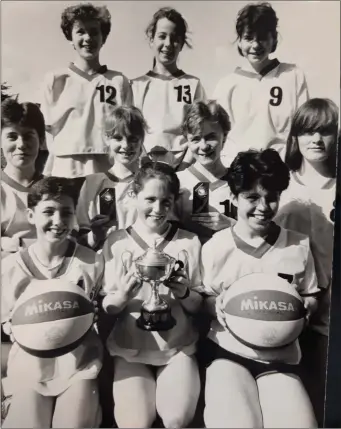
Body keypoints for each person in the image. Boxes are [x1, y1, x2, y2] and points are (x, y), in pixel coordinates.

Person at [201, 149, 318, 428]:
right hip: (228, 353)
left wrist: (306, 308)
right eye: (252, 197)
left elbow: (312, 295)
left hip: (282, 356)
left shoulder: (298, 245)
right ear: (233, 198)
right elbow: (204, 298)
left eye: (272, 197)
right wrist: (213, 305)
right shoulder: (216, 246)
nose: (263, 207)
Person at [101, 161, 203, 428]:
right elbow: (109, 307)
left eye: (166, 201)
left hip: (177, 347)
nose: (158, 209)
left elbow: (197, 307)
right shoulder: (117, 242)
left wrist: (183, 293)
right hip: (130, 348)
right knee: (134, 422)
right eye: (150, 199)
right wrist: (122, 296)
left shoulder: (188, 242)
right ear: (133, 196)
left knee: (177, 419)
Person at [1, 177, 104, 428]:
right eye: (48, 211)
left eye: (66, 213)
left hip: (79, 365)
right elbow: (5, 322)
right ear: (31, 215)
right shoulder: (9, 267)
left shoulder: (92, 262)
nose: (58, 221)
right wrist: (11, 327)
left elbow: (101, 314)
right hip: (29, 367)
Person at [275, 98, 339, 425]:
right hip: (287, 313)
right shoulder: (279, 186)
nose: (316, 140)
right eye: (308, 131)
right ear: (295, 137)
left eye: (326, 131)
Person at [40, 3, 133, 179]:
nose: (88, 38)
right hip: (66, 168)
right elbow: (48, 132)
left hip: (107, 168)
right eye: (80, 31)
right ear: (70, 37)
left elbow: (129, 132)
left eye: (94, 31)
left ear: (103, 38)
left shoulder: (118, 81)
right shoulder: (55, 79)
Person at [213, 2, 309, 166]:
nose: (256, 45)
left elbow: (304, 128)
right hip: (239, 172)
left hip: (281, 170)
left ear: (274, 40)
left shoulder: (293, 75)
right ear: (239, 41)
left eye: (263, 38)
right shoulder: (226, 85)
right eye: (249, 38)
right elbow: (217, 136)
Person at [131, 7, 206, 170]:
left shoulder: (193, 85)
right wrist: (144, 162)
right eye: (162, 36)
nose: (168, 44)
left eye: (174, 38)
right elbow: (131, 131)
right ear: (151, 39)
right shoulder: (136, 86)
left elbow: (200, 131)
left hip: (182, 167)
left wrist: (184, 166)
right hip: (145, 167)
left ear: (182, 43)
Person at [76, 105, 148, 250]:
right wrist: (96, 235)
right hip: (105, 263)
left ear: (141, 140)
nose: (126, 145)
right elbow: (80, 240)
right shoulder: (91, 183)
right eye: (118, 138)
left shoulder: (149, 183)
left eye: (132, 139)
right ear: (107, 139)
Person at [175, 100, 236, 244]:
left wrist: (231, 225)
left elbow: (258, 230)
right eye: (195, 139)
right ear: (187, 142)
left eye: (211, 137)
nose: (203, 146)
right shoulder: (178, 182)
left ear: (224, 137)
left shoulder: (241, 181)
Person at [1, 99, 45, 258]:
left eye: (28, 136)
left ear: (41, 141)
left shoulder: (55, 189)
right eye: (12, 136)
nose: (21, 144)